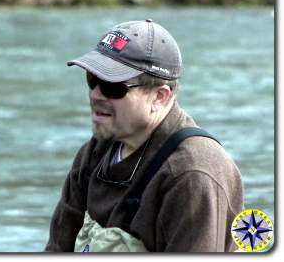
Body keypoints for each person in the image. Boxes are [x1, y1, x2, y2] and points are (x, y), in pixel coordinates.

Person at [45, 19, 244, 252]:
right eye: (92, 80)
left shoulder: (192, 174)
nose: (95, 95)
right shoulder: (94, 153)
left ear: (159, 97)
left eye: (112, 86)